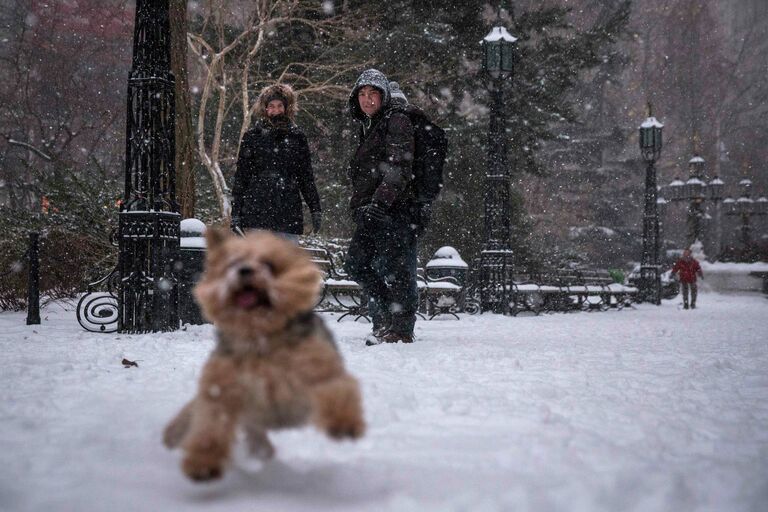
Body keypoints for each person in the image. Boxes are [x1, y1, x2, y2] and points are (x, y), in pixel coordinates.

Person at [344, 69, 420, 345]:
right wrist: (359, 207)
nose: (367, 99)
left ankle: (400, 329)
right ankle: (390, 316)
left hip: (393, 210)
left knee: (396, 269)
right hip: (370, 210)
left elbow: (398, 165)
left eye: (372, 94)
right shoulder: (370, 125)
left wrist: (380, 202)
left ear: (383, 96)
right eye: (362, 94)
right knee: (355, 263)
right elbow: (366, 174)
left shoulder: (396, 120)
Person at [231, 83, 322, 240]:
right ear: (265, 109)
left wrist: (315, 208)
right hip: (257, 210)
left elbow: (306, 177)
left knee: (285, 263)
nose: (276, 110)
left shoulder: (297, 137)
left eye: (280, 105)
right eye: (271, 106)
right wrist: (236, 213)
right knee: (258, 262)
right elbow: (241, 178)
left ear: (287, 108)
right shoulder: (252, 137)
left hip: (288, 210)